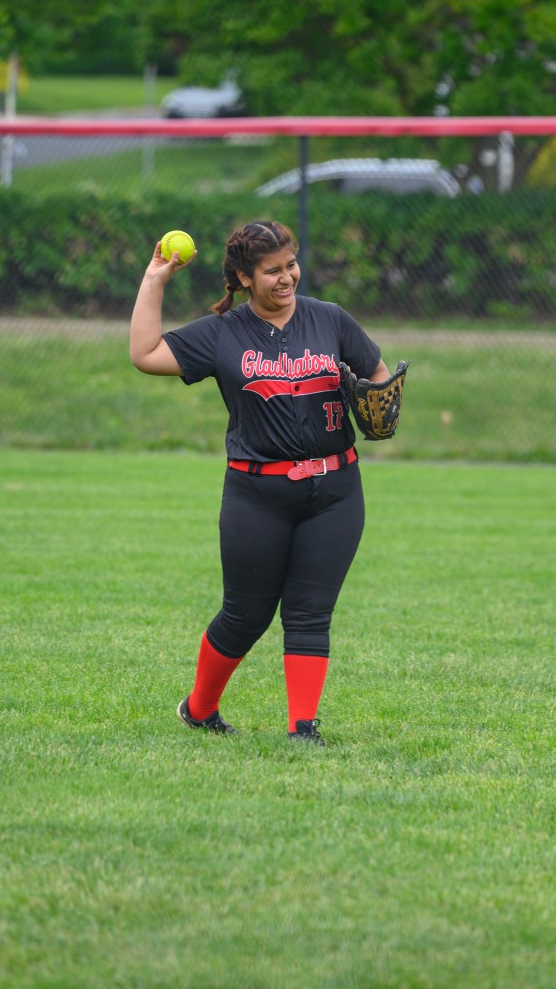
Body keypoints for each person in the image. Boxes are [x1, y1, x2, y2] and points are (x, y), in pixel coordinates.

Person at [130, 220, 391, 744]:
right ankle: (200, 709)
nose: (286, 277)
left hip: (335, 491)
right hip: (256, 494)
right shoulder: (223, 333)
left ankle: (303, 728)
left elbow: (378, 373)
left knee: (310, 612)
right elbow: (146, 355)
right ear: (245, 278)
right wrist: (155, 280)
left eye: (291, 264)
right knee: (245, 616)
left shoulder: (330, 319)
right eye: (272, 270)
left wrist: (375, 398)